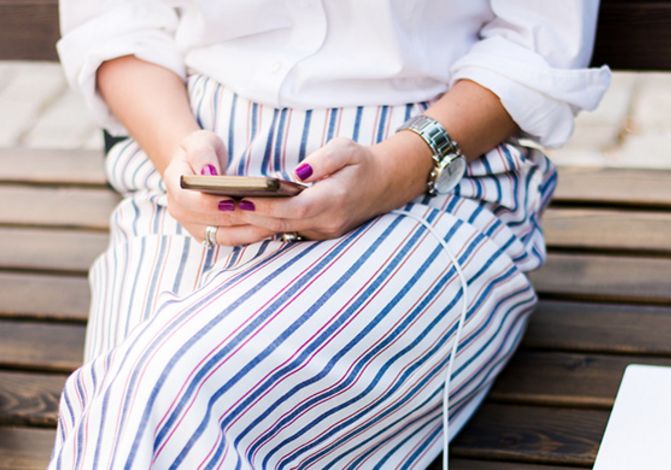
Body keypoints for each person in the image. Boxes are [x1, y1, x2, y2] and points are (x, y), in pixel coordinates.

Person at [49, 1, 610, 468]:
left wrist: (395, 171)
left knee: (156, 395)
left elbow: (535, 45)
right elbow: (117, 21)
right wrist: (178, 155)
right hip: (195, 170)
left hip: (427, 182)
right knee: (123, 409)